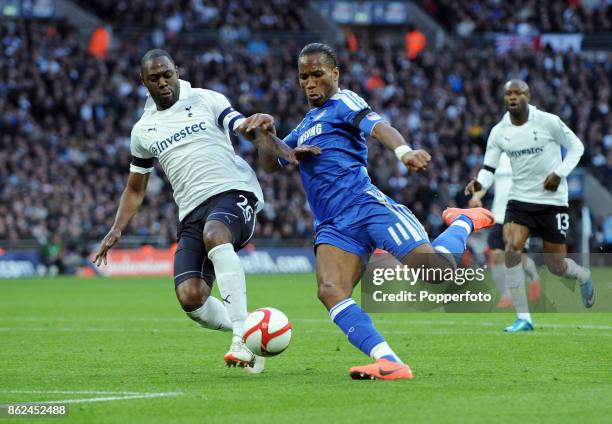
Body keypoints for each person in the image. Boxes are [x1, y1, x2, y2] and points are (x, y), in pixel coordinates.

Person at [241, 43, 496, 380]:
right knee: (330, 291)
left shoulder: (344, 102)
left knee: (437, 275)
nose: (310, 82)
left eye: (317, 74)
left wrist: (403, 152)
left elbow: (378, 127)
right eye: (304, 76)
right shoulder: (305, 124)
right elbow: (272, 165)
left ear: (335, 74)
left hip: (367, 207)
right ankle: (389, 361)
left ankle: (462, 221)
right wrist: (263, 136)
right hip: (333, 225)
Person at [93, 49, 294, 372]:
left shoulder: (205, 99)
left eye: (167, 75)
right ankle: (254, 329)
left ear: (177, 71)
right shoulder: (143, 130)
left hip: (233, 193)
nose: (163, 82)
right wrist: (117, 227)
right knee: (191, 298)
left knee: (215, 234)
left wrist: (262, 129)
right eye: (155, 78)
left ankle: (241, 340)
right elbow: (135, 187)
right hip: (191, 212)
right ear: (142, 81)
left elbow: (241, 125)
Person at [465, 79, 595, 332]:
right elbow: (489, 168)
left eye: (518, 93)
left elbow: (577, 146)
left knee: (556, 266)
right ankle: (524, 318)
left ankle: (583, 275)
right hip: (519, 201)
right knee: (512, 249)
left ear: (528, 95)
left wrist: (559, 172)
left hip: (552, 201)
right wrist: (479, 186)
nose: (513, 97)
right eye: (508, 94)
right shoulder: (499, 131)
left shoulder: (548, 121)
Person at [468, 152, 541, 313]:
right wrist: (477, 196)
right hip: (498, 215)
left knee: (517, 256)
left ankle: (534, 278)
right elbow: (486, 181)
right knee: (496, 255)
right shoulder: (498, 158)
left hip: (519, 215)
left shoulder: (528, 156)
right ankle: (505, 295)